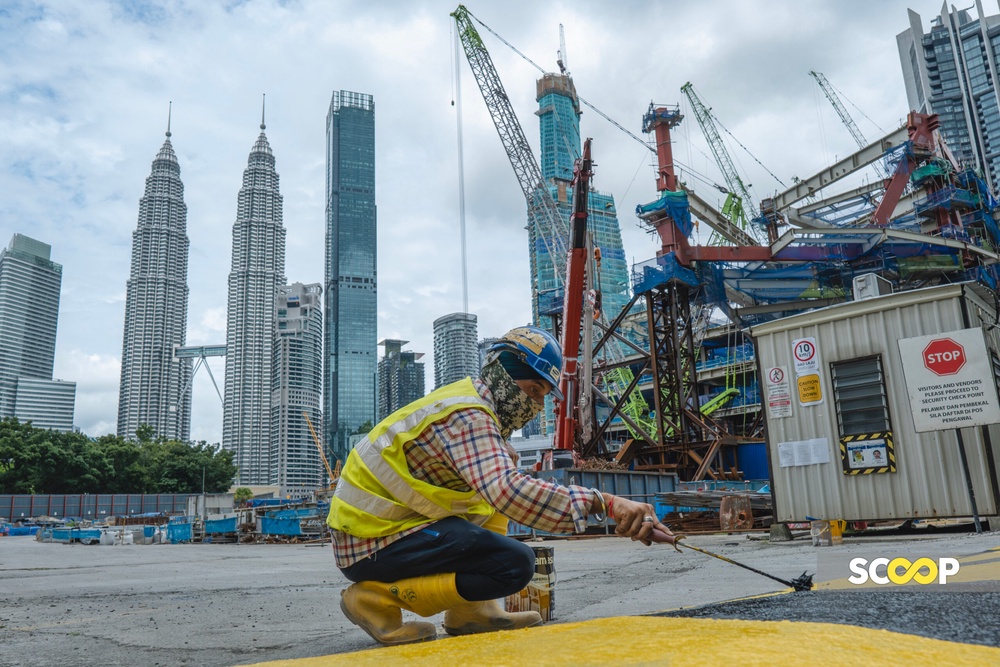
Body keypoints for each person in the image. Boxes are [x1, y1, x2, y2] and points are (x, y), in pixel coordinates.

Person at [326, 325, 679, 646]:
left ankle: (471, 612)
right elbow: (507, 490)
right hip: (369, 543)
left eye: (542, 395)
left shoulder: (476, 413)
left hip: (389, 531)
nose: (536, 405)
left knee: (498, 490)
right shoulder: (468, 415)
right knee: (513, 564)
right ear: (502, 375)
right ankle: (376, 599)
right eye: (531, 390)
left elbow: (496, 489)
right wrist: (606, 503)